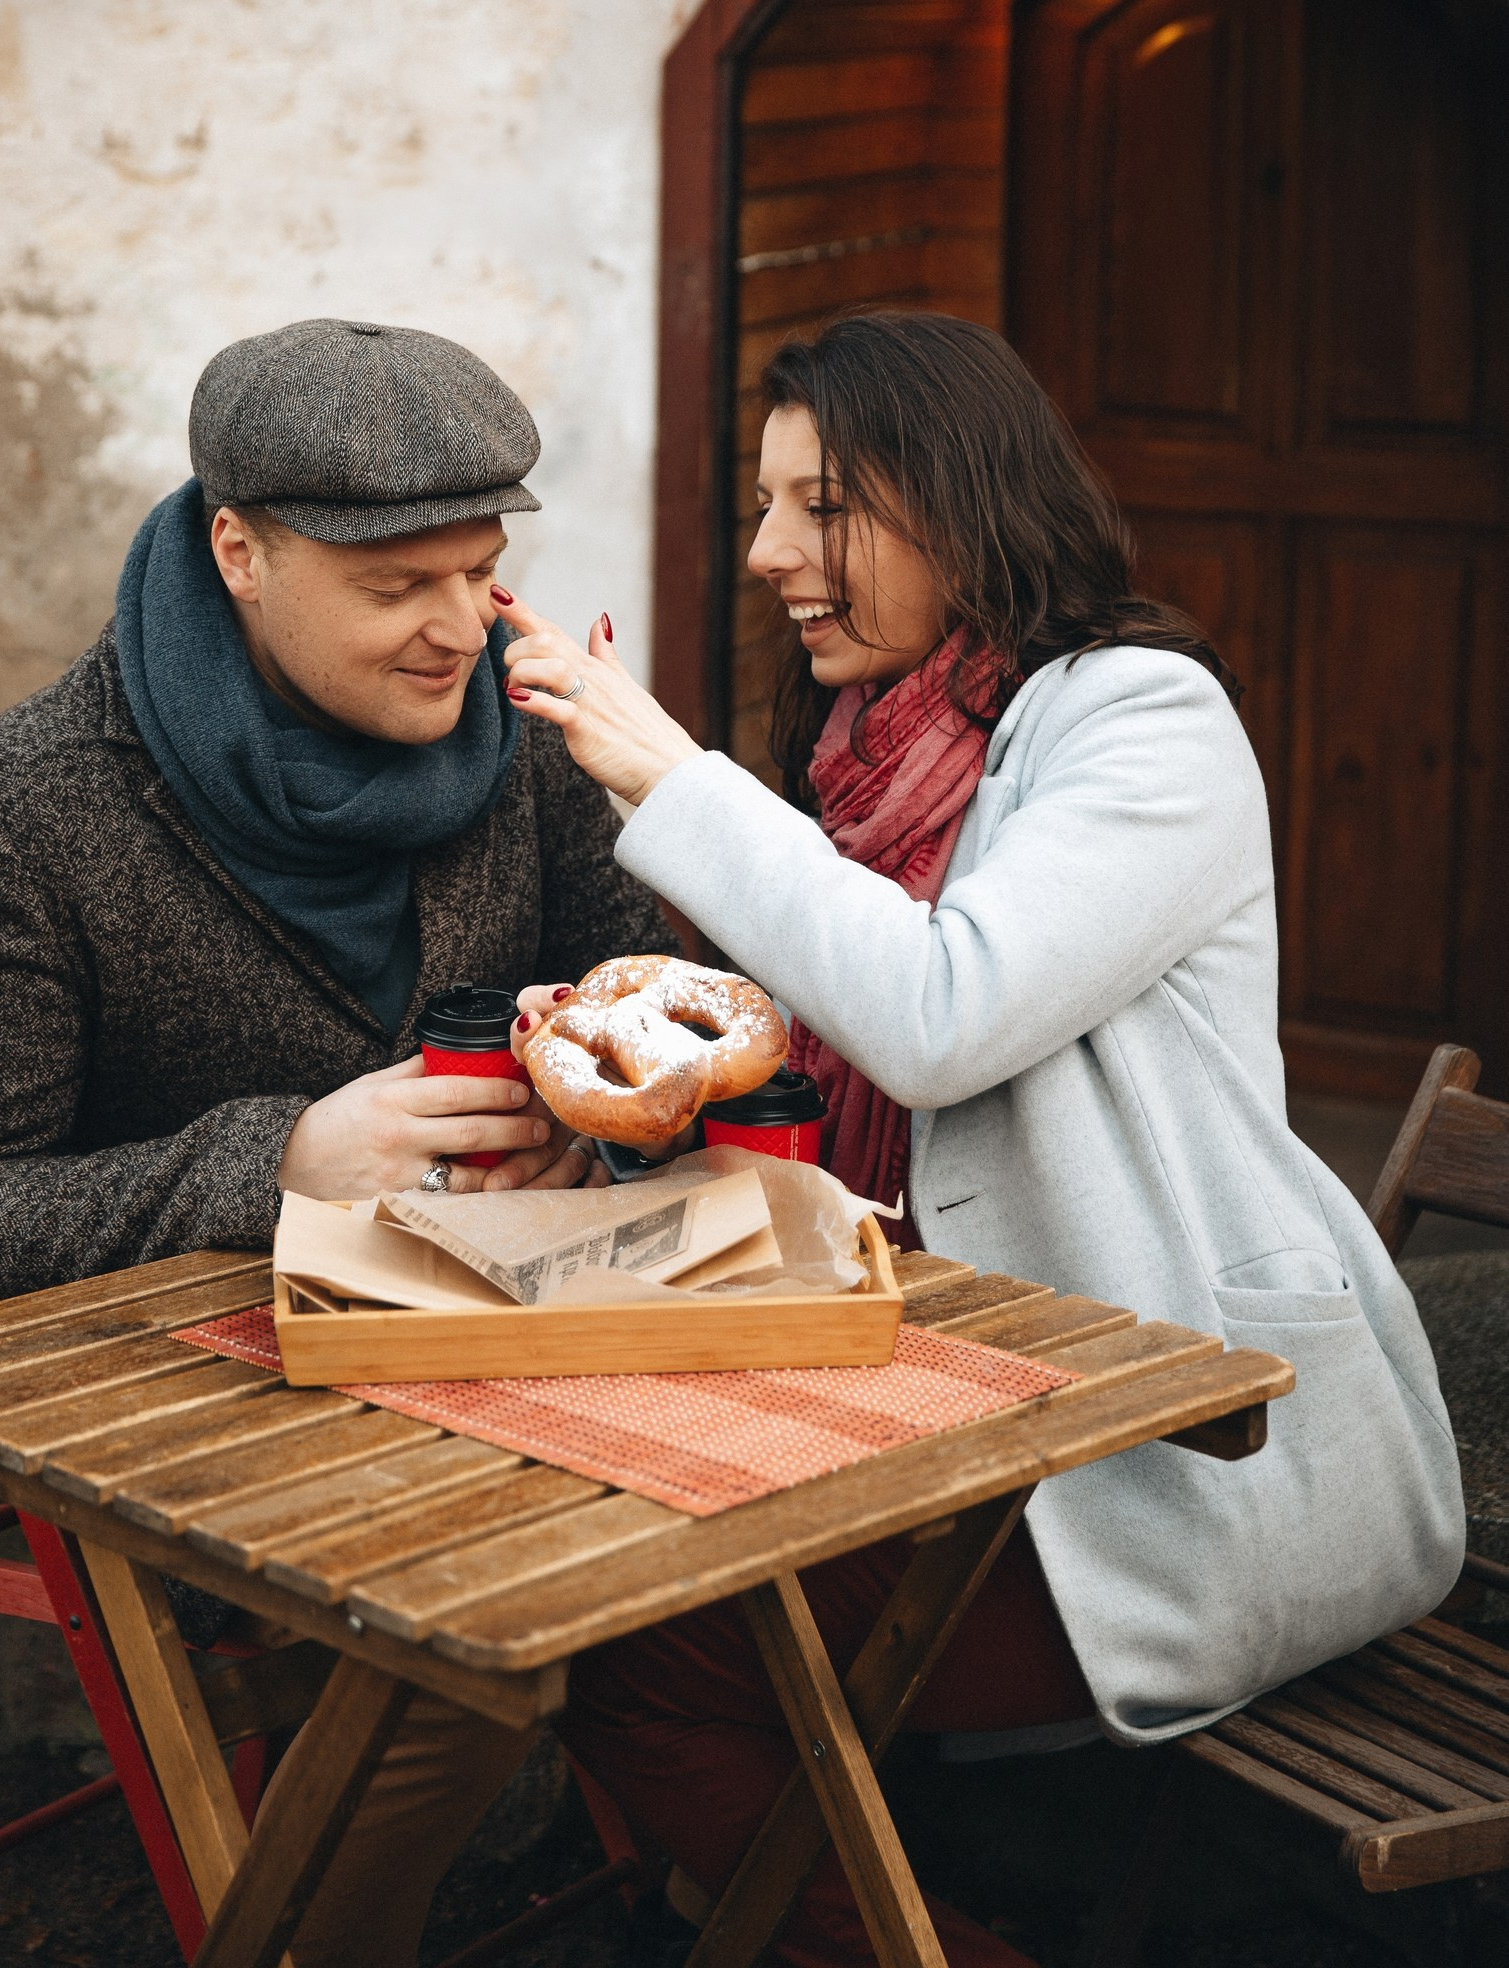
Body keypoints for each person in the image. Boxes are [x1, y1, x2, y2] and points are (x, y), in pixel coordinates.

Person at [496, 311, 1465, 1968]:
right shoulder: (878, 762)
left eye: (819, 508)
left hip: (1173, 1457)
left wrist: (668, 773)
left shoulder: (1141, 723)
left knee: (629, 1656)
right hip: (952, 1405)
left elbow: (946, 1013)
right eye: (763, 505)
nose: (765, 553)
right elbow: (862, 1105)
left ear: (953, 501)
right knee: (581, 1518)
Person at [0, 316, 671, 1968]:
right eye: (399, 588)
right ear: (239, 549)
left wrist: (595, 1135)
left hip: (509, 1346)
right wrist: (279, 1162)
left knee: (789, 1519)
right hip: (193, 1389)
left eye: (481, 568)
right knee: (488, 1628)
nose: (461, 628)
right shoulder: (19, 808)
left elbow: (621, 1004)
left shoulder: (515, 738)